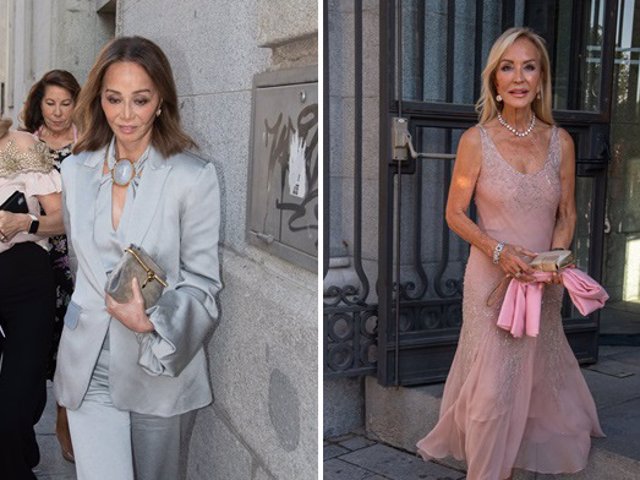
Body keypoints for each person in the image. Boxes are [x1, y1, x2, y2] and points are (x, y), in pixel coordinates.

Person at [416, 27, 604, 480]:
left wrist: (554, 261)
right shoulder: (475, 141)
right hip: (492, 281)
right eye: (507, 67)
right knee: (491, 391)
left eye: (529, 66)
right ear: (495, 80)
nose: (518, 77)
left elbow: (567, 213)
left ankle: (512, 465)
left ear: (541, 79)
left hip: (542, 284)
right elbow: (455, 213)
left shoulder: (561, 141)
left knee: (532, 380)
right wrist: (498, 251)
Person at [53, 36, 221, 480]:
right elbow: (78, 267)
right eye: (114, 99)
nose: (126, 114)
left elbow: (204, 285)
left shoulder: (193, 177)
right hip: (87, 366)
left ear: (161, 100)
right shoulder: (75, 170)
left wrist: (151, 320)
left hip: (156, 365)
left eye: (140, 100)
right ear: (99, 100)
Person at [21, 68, 81, 464]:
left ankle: (65, 418)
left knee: (72, 345)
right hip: (38, 254)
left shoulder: (91, 146)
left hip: (79, 257)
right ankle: (27, 422)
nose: (58, 112)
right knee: (40, 343)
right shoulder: (25, 146)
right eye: (50, 103)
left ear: (77, 104)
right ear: (38, 104)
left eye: (65, 103)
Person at [0, 117, 64, 478]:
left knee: (16, 406)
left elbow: (62, 218)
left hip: (26, 279)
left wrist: (25, 223)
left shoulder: (24, 146)